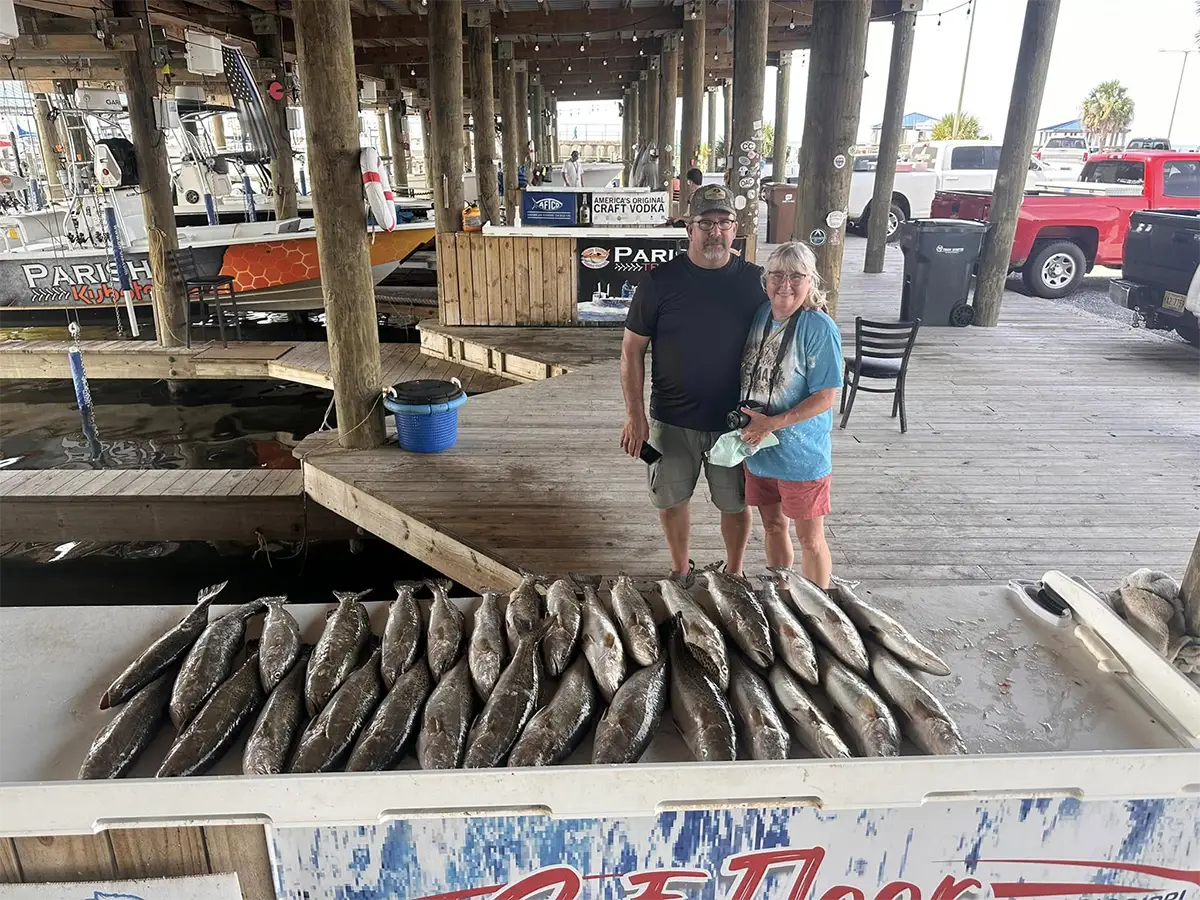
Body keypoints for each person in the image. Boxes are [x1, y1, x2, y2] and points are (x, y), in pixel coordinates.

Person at [620, 184, 766, 578]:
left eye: (724, 222)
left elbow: (793, 320)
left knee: (736, 505)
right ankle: (681, 570)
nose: (715, 232)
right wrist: (635, 415)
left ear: (735, 229)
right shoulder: (658, 282)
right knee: (671, 501)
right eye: (705, 223)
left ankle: (734, 573)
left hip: (735, 424)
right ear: (689, 228)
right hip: (671, 418)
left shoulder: (758, 282)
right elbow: (631, 350)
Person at [736, 242, 843, 588]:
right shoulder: (759, 315)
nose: (786, 285)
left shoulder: (819, 327)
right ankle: (783, 596)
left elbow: (826, 396)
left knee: (811, 540)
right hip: (760, 450)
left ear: (810, 281)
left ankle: (818, 608)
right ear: (765, 280)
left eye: (796, 276)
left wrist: (774, 423)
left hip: (801, 457)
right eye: (778, 275)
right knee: (772, 526)